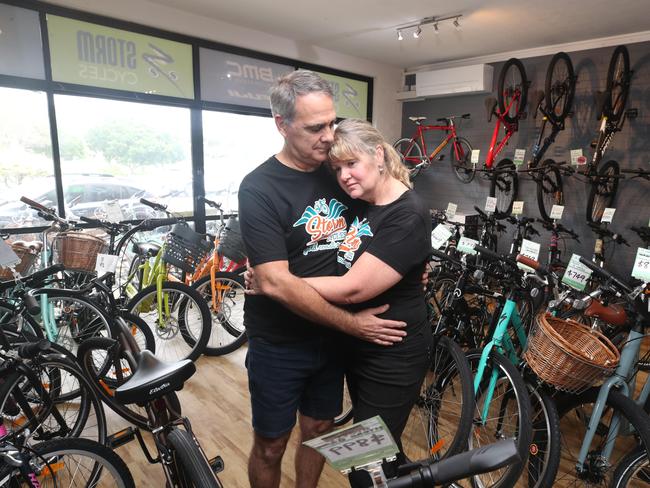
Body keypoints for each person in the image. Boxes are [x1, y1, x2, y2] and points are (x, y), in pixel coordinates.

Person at [237, 70, 407, 488]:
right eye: (316, 127)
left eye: (332, 122)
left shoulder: (337, 171)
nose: (329, 136)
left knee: (318, 431)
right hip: (279, 342)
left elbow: (387, 208)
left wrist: (412, 257)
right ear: (282, 124)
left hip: (331, 342)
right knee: (271, 444)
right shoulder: (258, 188)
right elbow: (274, 283)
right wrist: (351, 323)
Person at [300, 119, 432, 485]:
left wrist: (279, 282)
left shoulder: (406, 213)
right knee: (381, 449)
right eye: (337, 168)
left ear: (378, 155)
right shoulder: (362, 202)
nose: (344, 176)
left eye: (351, 164)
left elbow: (352, 289)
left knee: (364, 464)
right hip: (361, 345)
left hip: (393, 353)